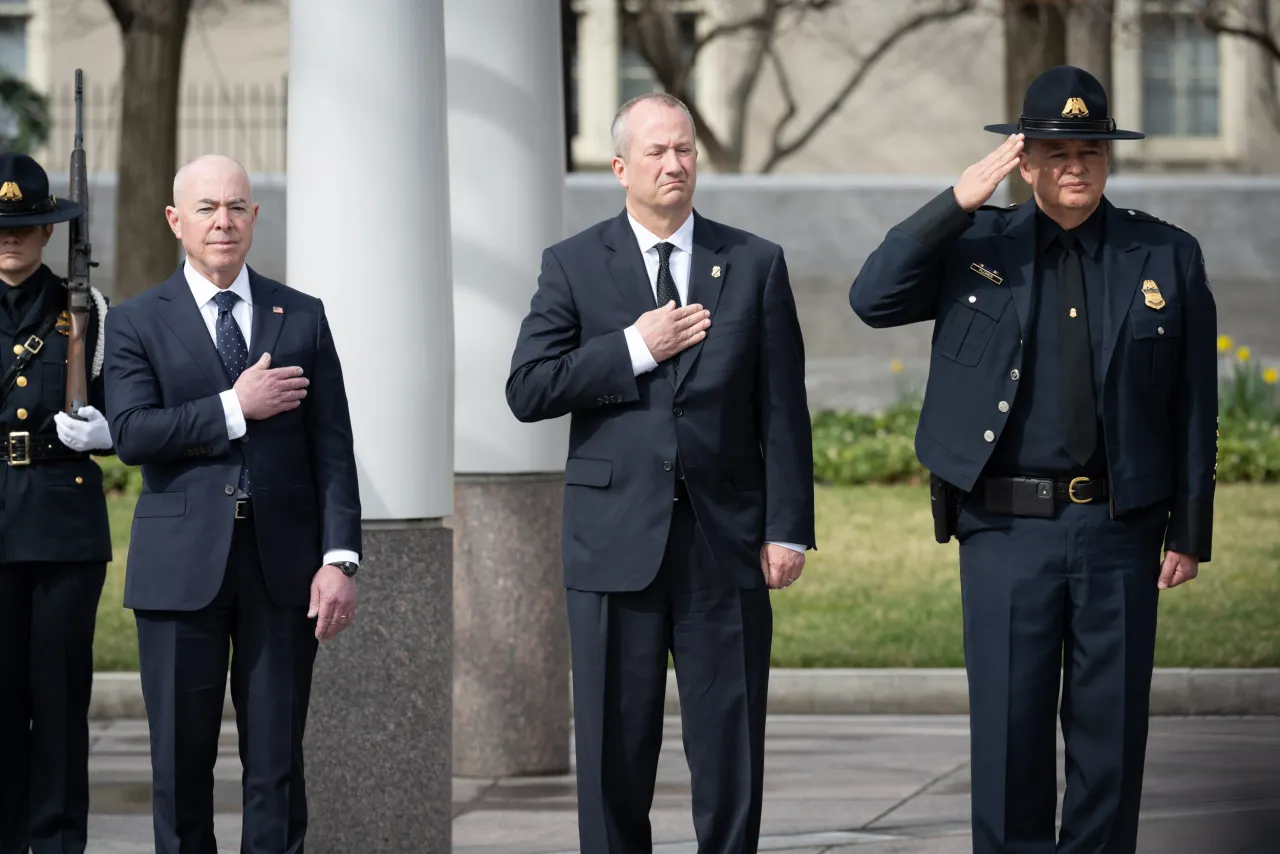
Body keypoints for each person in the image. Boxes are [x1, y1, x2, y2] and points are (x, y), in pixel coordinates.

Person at [849, 66, 1217, 854]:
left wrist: (1190, 527)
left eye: (1088, 150)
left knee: (1109, 745)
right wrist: (953, 203)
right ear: (1025, 161)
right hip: (1006, 533)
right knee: (1010, 738)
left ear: (1109, 159)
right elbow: (871, 297)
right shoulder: (975, 246)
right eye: (1054, 151)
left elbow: (1194, 402)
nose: (1073, 165)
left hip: (1119, 530)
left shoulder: (1165, 255)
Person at [507, 91, 816, 854]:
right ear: (620, 167)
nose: (675, 164)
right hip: (614, 547)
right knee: (615, 751)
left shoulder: (753, 263)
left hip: (726, 546)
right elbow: (528, 388)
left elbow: (782, 410)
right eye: (657, 152)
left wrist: (788, 530)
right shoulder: (574, 265)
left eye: (685, 150)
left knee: (729, 750)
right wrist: (633, 348)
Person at [102, 154, 362, 854]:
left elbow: (331, 445)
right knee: (181, 769)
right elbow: (132, 435)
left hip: (281, 572)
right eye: (208, 207)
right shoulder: (133, 321)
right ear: (175, 221)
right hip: (179, 571)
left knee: (277, 766)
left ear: (254, 217)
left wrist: (340, 558)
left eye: (237, 207)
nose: (224, 221)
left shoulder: (300, 314)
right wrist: (233, 408)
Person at [0, 151, 112, 854]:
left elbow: (125, 408)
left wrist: (106, 431)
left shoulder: (88, 312)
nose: (8, 236)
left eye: (22, 225)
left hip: (65, 532)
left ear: (48, 232)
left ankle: (60, 842)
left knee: (61, 706)